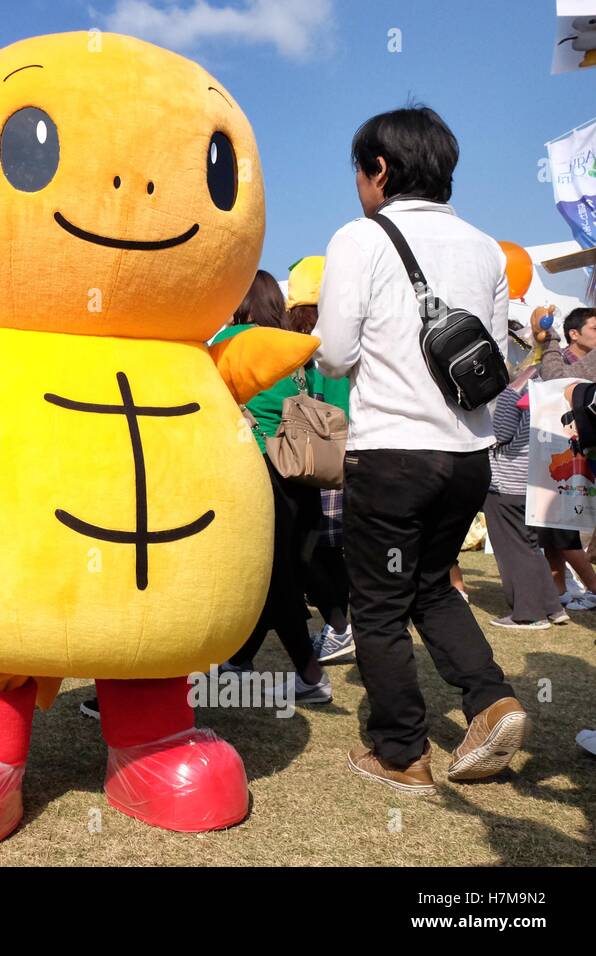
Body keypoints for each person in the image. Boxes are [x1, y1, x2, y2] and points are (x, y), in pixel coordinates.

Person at [315, 105, 526, 793]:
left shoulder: (361, 238)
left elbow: (339, 354)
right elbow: (488, 359)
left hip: (391, 454)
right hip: (466, 454)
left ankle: (401, 752)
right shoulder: (486, 248)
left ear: (378, 168)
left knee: (377, 604)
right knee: (432, 587)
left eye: (359, 170)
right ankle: (491, 699)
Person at [213, 270, 333, 705]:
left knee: (274, 576)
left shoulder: (230, 342)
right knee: (281, 570)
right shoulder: (292, 347)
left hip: (260, 469)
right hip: (302, 471)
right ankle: (241, 659)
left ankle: (310, 674)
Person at [283, 256, 355, 663]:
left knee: (315, 550)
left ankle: (340, 627)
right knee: (333, 549)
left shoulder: (314, 346)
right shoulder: (348, 335)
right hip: (355, 451)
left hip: (327, 454)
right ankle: (340, 626)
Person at [483, 362, 568, 628]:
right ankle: (552, 606)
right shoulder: (548, 392)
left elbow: (502, 434)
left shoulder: (510, 395)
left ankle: (528, 614)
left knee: (512, 550)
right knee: (530, 547)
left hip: (507, 483)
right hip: (537, 481)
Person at [532, 306, 596, 609]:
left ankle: (589, 588)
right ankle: (561, 588)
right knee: (555, 528)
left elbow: (557, 379)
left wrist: (550, 340)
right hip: (562, 455)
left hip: (579, 458)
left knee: (564, 530)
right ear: (576, 333)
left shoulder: (579, 362)